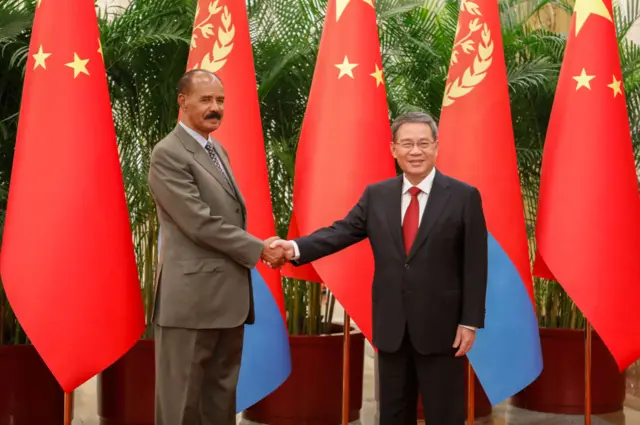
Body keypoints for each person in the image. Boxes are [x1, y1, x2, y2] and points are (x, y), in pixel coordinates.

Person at [269, 111, 488, 425]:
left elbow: (475, 264)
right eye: (407, 144)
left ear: (437, 148)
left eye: (424, 144)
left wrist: (469, 321)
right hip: (392, 327)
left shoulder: (464, 196)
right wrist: (293, 248)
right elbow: (340, 232)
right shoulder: (377, 196)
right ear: (393, 149)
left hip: (443, 329)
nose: (416, 151)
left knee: (445, 415)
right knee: (393, 415)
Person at [147, 69, 285, 425]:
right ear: (183, 101)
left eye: (220, 100)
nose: (215, 108)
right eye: (206, 100)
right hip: (191, 303)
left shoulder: (217, 150)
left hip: (227, 301)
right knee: (182, 406)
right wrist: (259, 249)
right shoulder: (168, 154)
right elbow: (198, 222)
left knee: (219, 401)